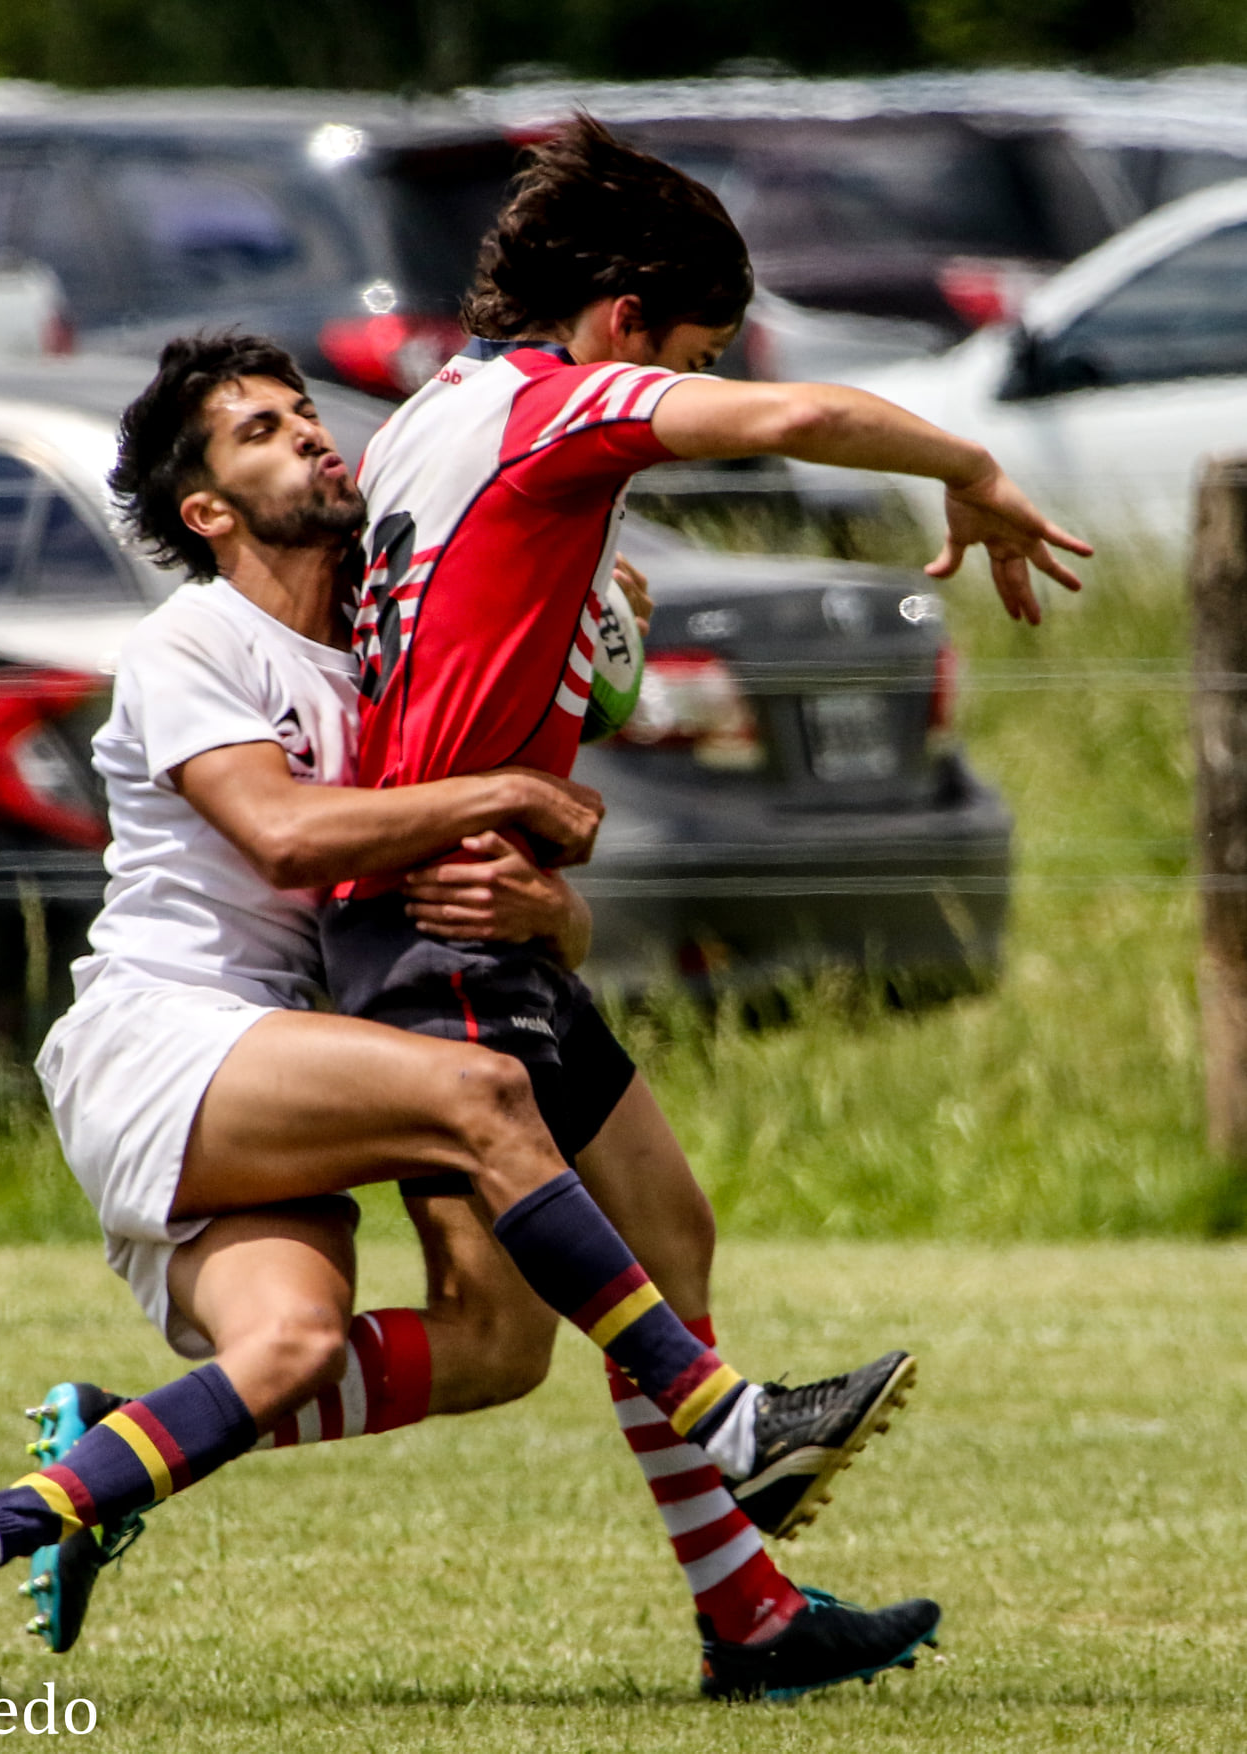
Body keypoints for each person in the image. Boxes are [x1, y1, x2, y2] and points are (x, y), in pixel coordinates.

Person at [0, 333, 941, 1703]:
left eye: (305, 412)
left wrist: (553, 897)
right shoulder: (195, 637)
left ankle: (18, 1512)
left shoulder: (385, 657)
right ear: (208, 510)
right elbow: (288, 832)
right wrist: (510, 799)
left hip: (296, 1058)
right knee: (482, 1100)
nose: (308, 434)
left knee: (462, 1345)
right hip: (164, 1044)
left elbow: (477, 864)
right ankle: (728, 1421)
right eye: (259, 430)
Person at [314, 114, 1092, 1680]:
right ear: (621, 324)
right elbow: (793, 418)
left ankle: (751, 1620)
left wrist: (576, 671)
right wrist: (969, 465)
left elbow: (462, 651)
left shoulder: (430, 417)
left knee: (654, 1239)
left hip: (465, 897)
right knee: (492, 1334)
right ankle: (105, 1455)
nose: (708, 377)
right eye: (698, 349)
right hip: (440, 914)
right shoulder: (553, 404)